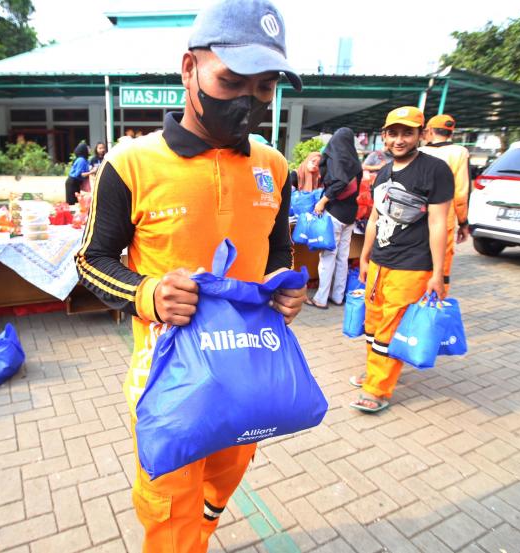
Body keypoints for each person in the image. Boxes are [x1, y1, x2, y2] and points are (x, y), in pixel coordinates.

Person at [75, 0, 305, 550]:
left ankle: (202, 528)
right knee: (169, 508)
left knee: (225, 476)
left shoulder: (273, 168)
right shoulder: (131, 164)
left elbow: (279, 251)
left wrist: (286, 286)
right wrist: (148, 293)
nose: (249, 102)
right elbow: (90, 261)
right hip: (170, 379)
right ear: (188, 69)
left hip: (249, 371)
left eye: (266, 87)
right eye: (232, 80)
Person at [350, 106, 453, 413]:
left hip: (413, 264)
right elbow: (373, 219)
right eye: (393, 133)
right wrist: (364, 258)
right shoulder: (384, 171)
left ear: (422, 134)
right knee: (373, 323)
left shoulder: (435, 170)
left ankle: (378, 389)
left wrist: (439, 272)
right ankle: (374, 371)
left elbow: (439, 224)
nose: (399, 140)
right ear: (384, 136)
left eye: (407, 132)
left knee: (390, 327)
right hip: (380, 262)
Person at [306, 127, 362, 309]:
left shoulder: (336, 159)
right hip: (350, 215)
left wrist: (322, 201)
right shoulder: (355, 161)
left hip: (335, 213)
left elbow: (340, 182)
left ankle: (321, 299)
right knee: (342, 257)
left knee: (328, 256)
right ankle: (338, 296)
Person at [420, 114, 471, 292]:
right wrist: (463, 222)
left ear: (431, 131)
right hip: (444, 219)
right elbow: (461, 193)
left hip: (418, 216)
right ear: (451, 132)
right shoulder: (459, 153)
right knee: (440, 268)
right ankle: (434, 304)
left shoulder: (421, 152)